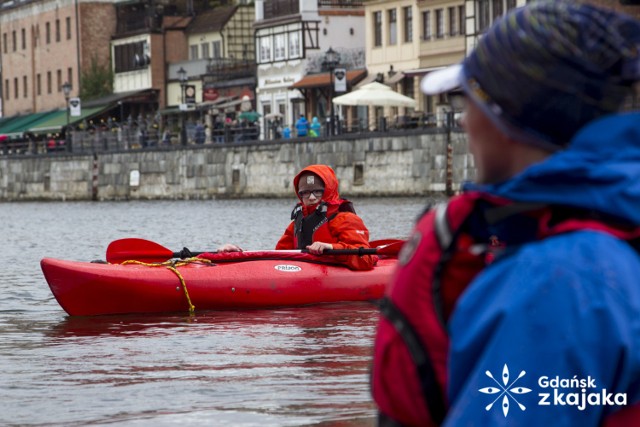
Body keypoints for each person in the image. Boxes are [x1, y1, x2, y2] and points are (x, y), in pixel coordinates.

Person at [372, 1, 640, 426]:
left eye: (469, 100)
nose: (462, 121)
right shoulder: (604, 239)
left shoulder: (559, 281)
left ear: (502, 120)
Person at [219, 164, 376, 271]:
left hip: (335, 274)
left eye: (317, 191)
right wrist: (239, 253)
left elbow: (366, 259)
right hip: (306, 273)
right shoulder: (296, 224)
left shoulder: (345, 219)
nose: (312, 197)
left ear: (328, 191)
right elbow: (276, 256)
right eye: (305, 193)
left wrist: (331, 247)